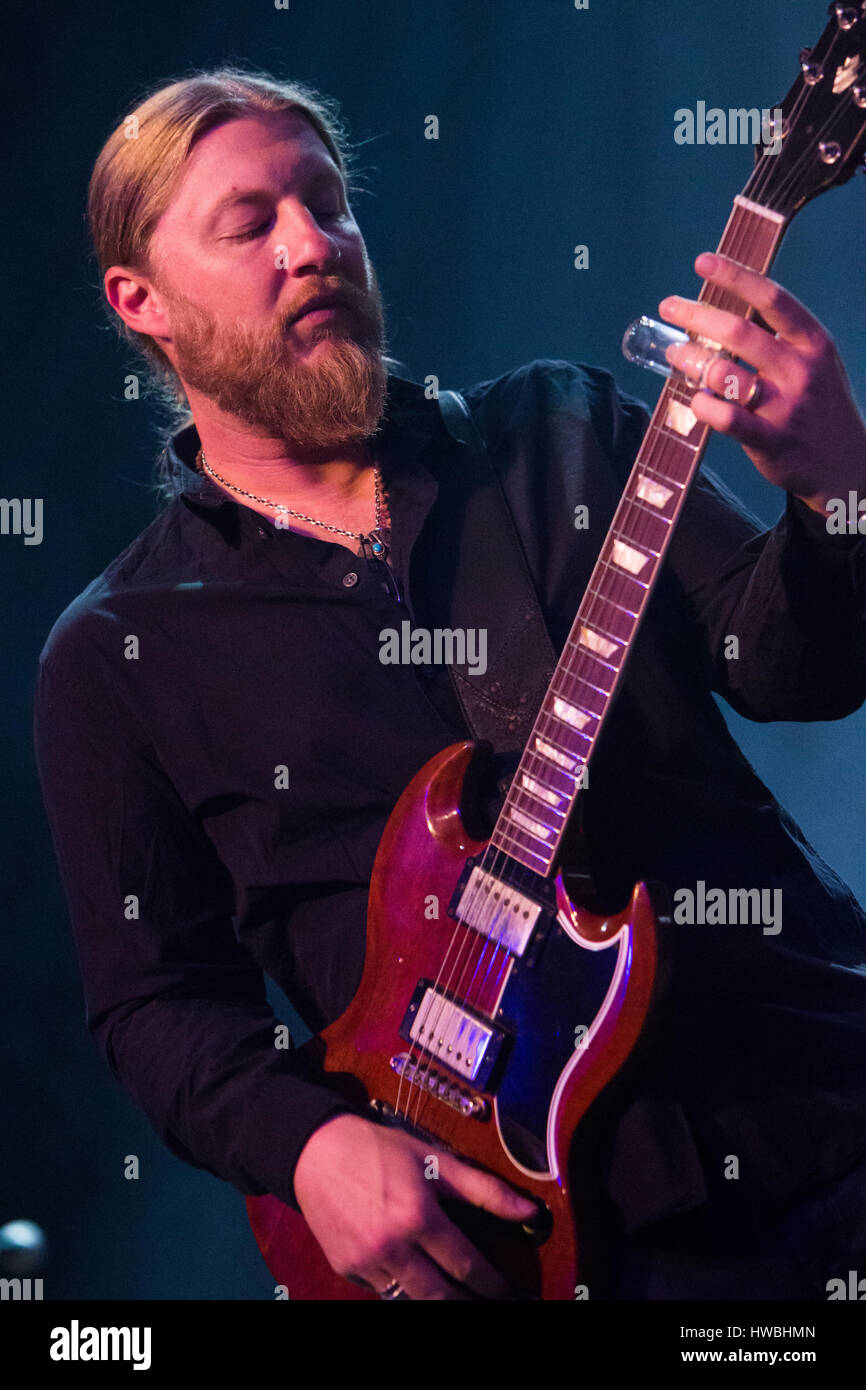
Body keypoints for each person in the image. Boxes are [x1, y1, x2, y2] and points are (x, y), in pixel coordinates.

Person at [34, 67, 866, 1301]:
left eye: (328, 204)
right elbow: (157, 1001)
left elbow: (792, 671)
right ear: (139, 300)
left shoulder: (558, 431)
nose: (314, 244)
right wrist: (306, 1144)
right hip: (518, 1239)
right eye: (252, 221)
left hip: (821, 1111)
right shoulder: (118, 654)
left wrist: (837, 485)